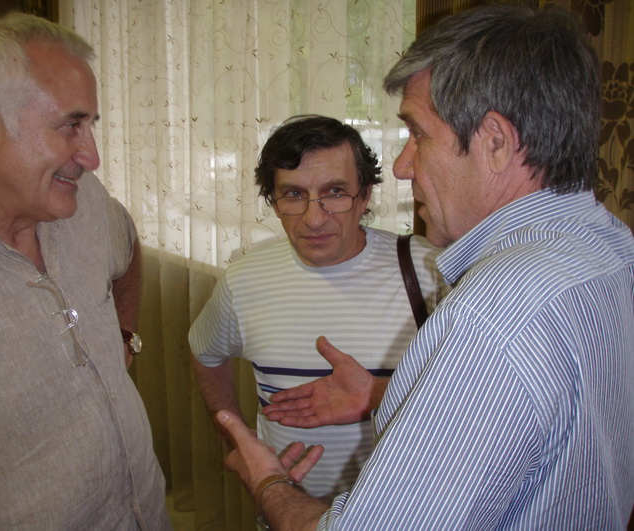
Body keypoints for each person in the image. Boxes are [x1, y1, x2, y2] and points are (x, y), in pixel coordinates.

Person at [215, 5, 634, 530]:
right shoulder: (611, 247)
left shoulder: (492, 316)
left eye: (419, 134)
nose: (402, 165)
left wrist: (267, 483)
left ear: (496, 143)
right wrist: (381, 395)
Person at [0, 12, 172, 529]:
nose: (92, 156)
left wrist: (124, 336)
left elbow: (126, 247)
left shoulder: (80, 196)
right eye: (70, 125)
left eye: (91, 125)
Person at [188, 114, 444, 499]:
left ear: (365, 196)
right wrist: (237, 441)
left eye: (335, 192)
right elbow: (205, 353)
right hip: (286, 506)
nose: (314, 218)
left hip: (403, 508)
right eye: (293, 195)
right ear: (274, 203)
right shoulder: (244, 279)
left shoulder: (431, 271)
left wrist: (378, 393)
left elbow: (480, 401)